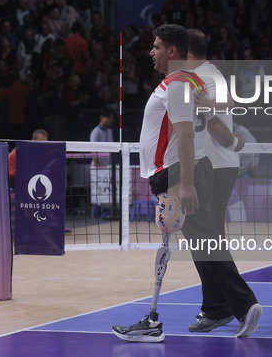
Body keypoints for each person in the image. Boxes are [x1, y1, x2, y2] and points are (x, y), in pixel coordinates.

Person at [112, 24, 261, 343]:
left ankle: (238, 305)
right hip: (182, 170)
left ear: (174, 51)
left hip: (179, 171)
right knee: (202, 239)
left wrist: (188, 183)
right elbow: (220, 113)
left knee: (200, 239)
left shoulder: (180, 83)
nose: (151, 52)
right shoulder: (190, 81)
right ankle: (222, 306)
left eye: (156, 46)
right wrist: (234, 142)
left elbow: (184, 134)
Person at [184, 28, 260, 334]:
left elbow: (219, 117)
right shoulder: (208, 74)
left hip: (213, 166)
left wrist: (232, 142)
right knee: (202, 238)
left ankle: (243, 304)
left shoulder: (203, 77)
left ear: (185, 50)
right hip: (216, 165)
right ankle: (216, 308)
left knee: (206, 237)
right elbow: (227, 106)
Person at [89, 107, 115, 220]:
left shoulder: (109, 131)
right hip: (97, 166)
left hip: (108, 165)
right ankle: (95, 213)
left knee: (107, 189)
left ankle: (106, 213)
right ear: (102, 117)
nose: (110, 120)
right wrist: (97, 165)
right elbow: (93, 150)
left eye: (112, 118)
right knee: (97, 189)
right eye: (108, 117)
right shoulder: (95, 132)